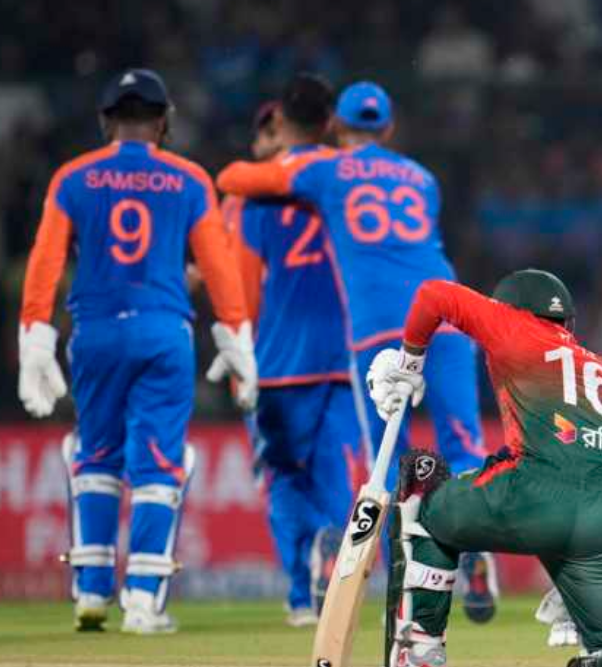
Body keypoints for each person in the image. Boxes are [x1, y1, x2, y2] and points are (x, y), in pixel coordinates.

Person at [214, 81, 497, 621]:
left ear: (337, 130)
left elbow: (235, 178)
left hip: (379, 333)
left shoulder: (325, 170)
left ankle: (404, 587)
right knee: (463, 445)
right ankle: (475, 553)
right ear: (389, 129)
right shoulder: (422, 177)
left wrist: (292, 161)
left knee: (386, 463)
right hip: (452, 315)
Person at [366, 269, 602, 667]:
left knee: (421, 488)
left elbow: (433, 294)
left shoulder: (515, 323)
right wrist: (567, 572)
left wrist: (409, 362)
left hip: (535, 490)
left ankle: (419, 651)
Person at [18, 68, 257, 634]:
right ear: (164, 121)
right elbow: (219, 268)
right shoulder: (190, 179)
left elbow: (46, 260)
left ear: (106, 122)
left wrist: (35, 334)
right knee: (160, 464)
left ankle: (91, 592)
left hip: (95, 333)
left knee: (96, 456)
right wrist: (235, 333)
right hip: (162, 333)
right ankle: (144, 602)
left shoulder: (73, 178)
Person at [222, 76, 363, 627]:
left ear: (281, 124)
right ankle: (337, 590)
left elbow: (244, 283)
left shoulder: (253, 199)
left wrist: (241, 354)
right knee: (336, 476)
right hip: (345, 357)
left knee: (285, 478)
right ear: (330, 121)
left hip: (278, 362)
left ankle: (302, 596)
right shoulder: (349, 181)